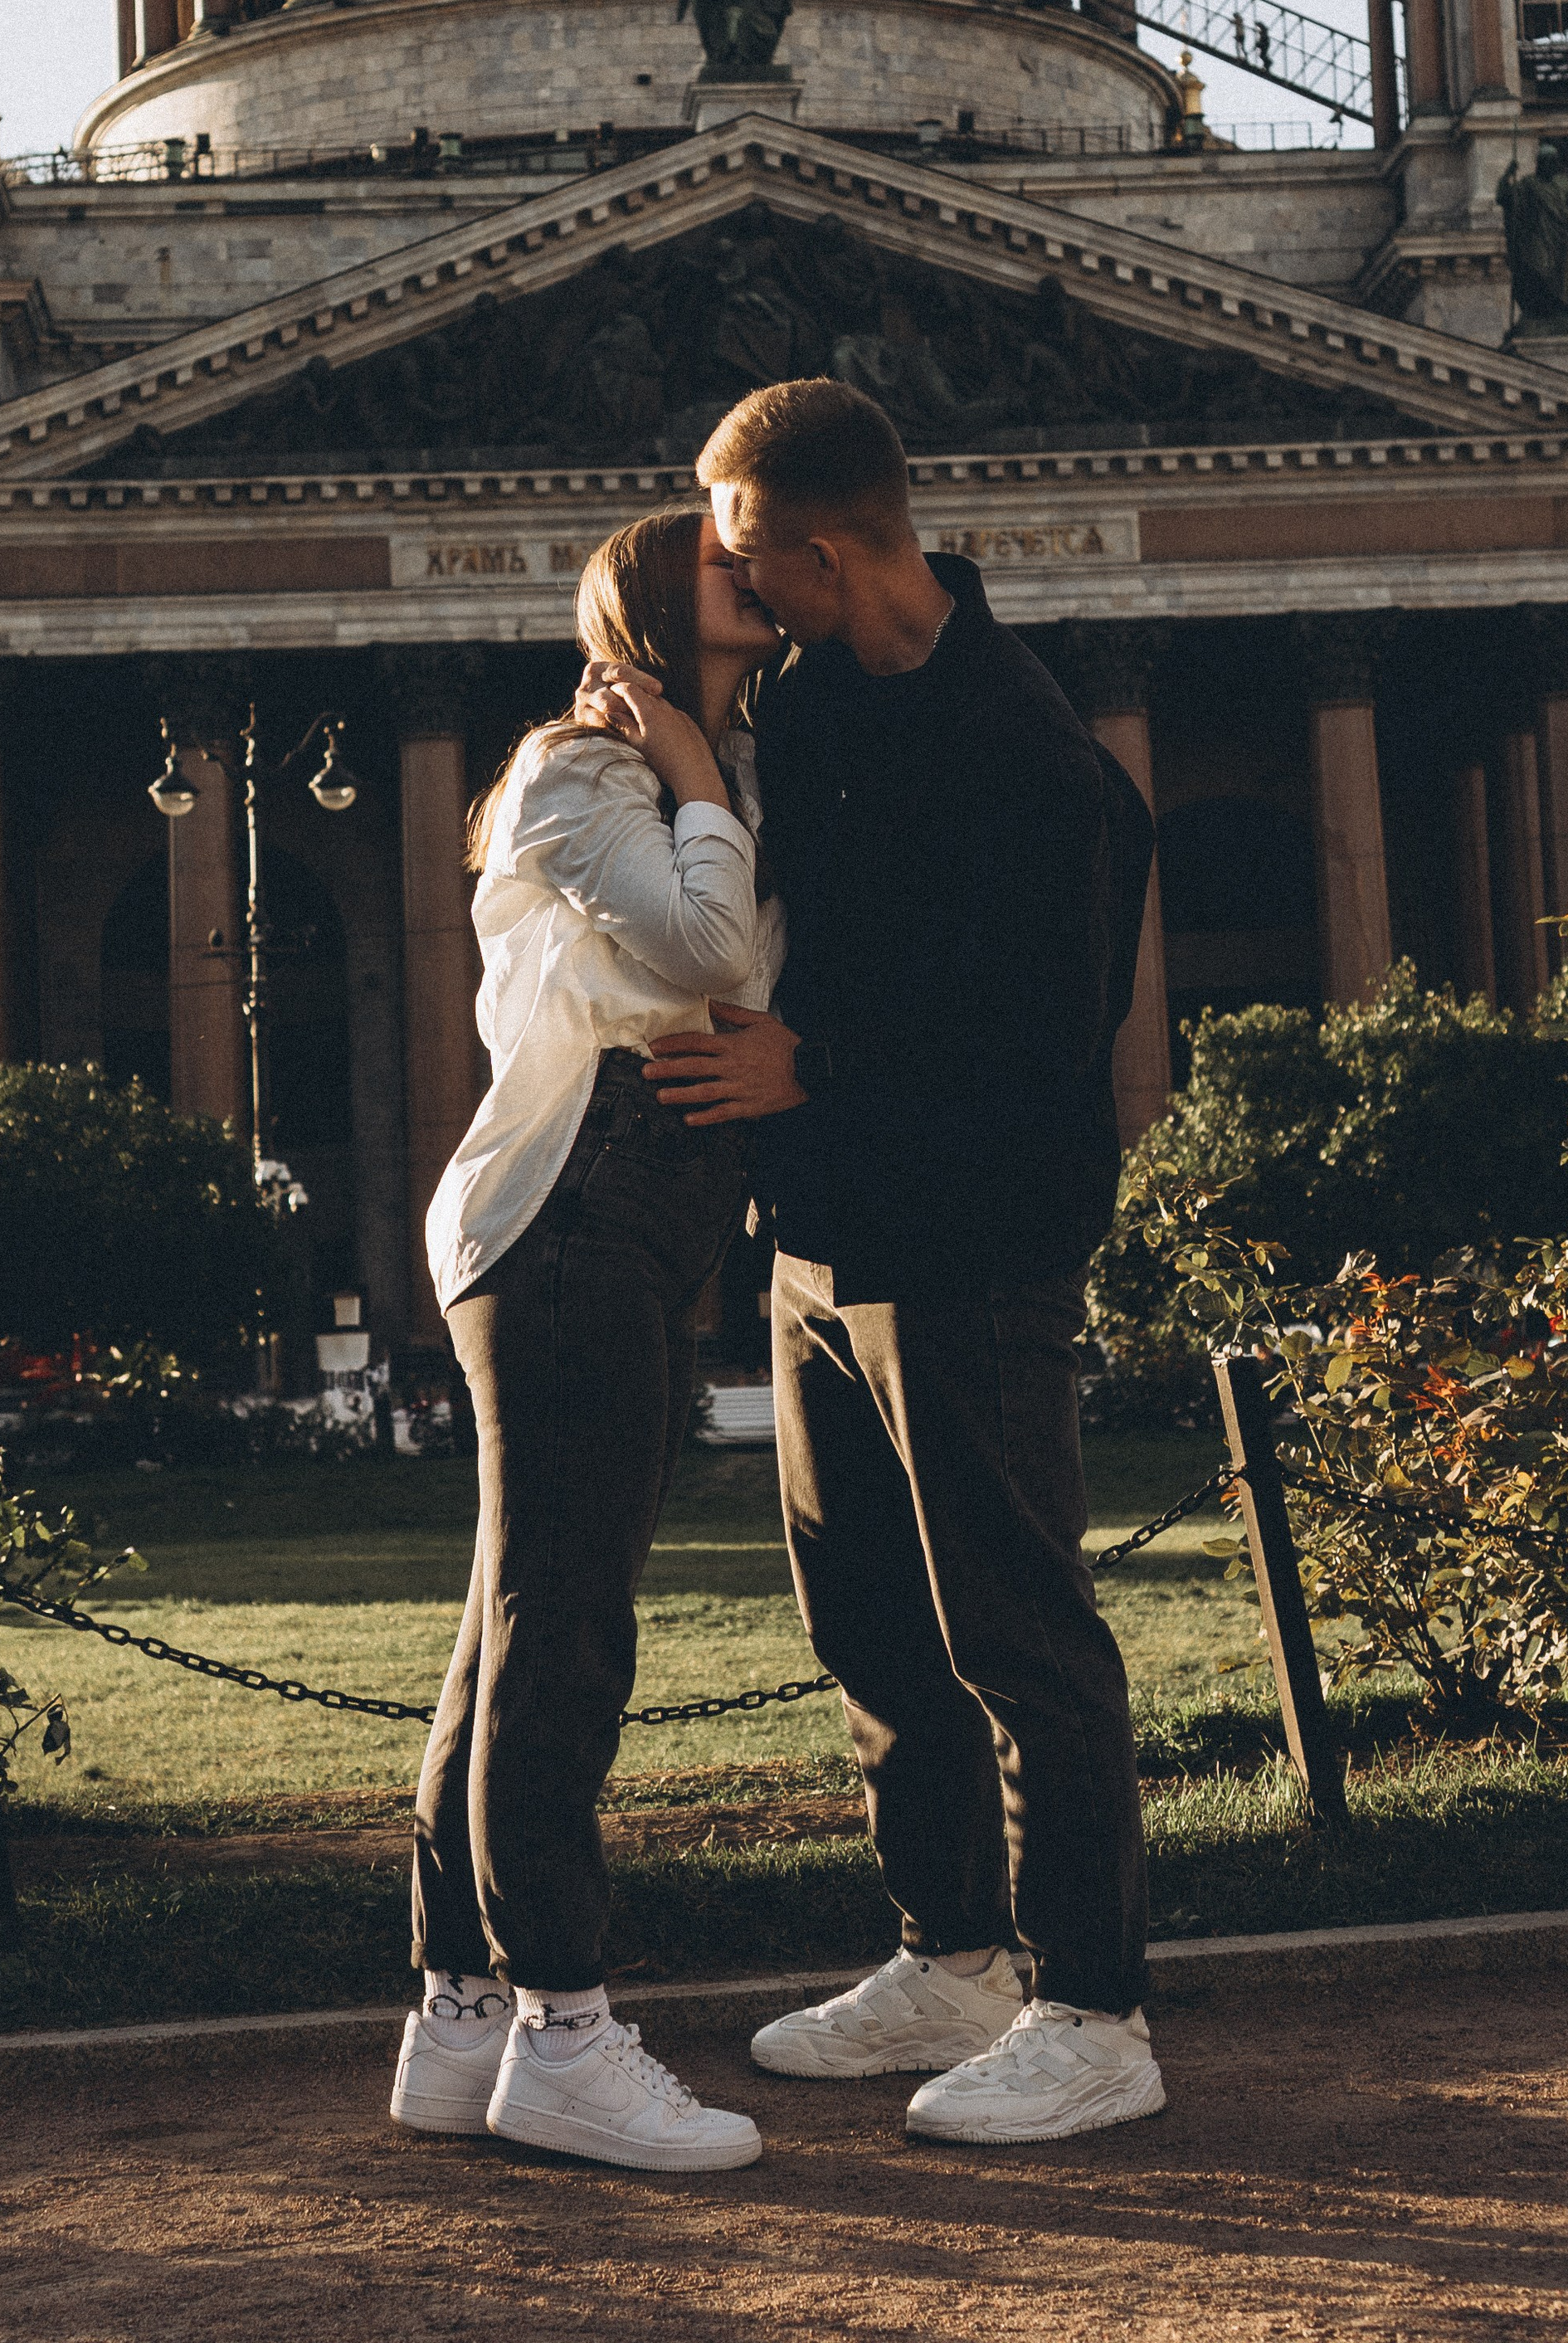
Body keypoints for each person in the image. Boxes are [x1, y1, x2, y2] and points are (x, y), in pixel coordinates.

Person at [635, 376, 1164, 2148]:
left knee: (1016, 1633)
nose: (734, 596)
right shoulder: (810, 701)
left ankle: (1091, 2007)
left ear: (822, 545)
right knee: (870, 1624)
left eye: (743, 561)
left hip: (973, 1247)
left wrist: (821, 1072)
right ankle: (951, 1958)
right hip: (830, 1236)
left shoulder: (1017, 748)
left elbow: (1038, 1045)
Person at [391, 509, 784, 2173]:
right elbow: (707, 957)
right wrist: (691, 755)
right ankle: (564, 2026)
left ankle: (457, 2016)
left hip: (617, 1216)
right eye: (719, 562)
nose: (749, 573)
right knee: (566, 1631)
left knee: (510, 1624)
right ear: (645, 608)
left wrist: (707, 773)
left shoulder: (678, 779)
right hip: (574, 1213)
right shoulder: (580, 767)